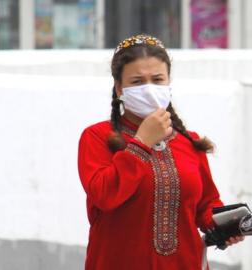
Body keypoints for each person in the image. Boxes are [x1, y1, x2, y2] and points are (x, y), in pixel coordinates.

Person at [77, 34, 243, 270]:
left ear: (168, 82)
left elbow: (206, 204)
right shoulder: (96, 137)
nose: (149, 89)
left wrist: (225, 225)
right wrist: (142, 142)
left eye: (157, 79)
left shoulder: (189, 140)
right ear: (119, 87)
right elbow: (105, 196)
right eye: (137, 82)